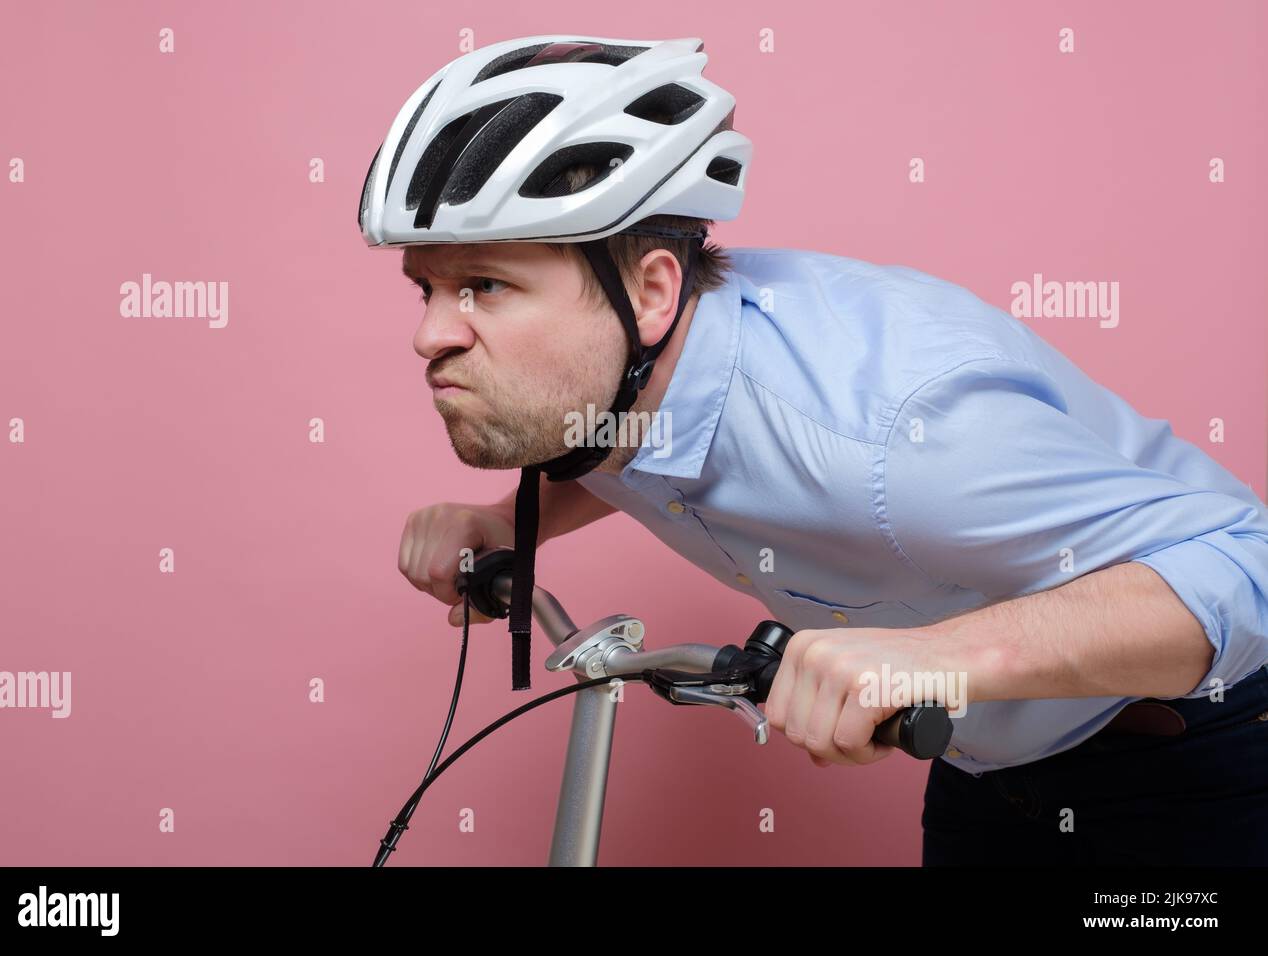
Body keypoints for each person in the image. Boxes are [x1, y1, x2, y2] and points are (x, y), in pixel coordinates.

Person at [358, 34, 1268, 865]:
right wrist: (505, 522)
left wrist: (940, 657)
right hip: (985, 774)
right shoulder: (634, 372)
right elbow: (643, 437)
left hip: (1198, 761)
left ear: (650, 291)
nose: (431, 335)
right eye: (427, 289)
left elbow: (1247, 566)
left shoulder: (896, 433)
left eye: (485, 284)